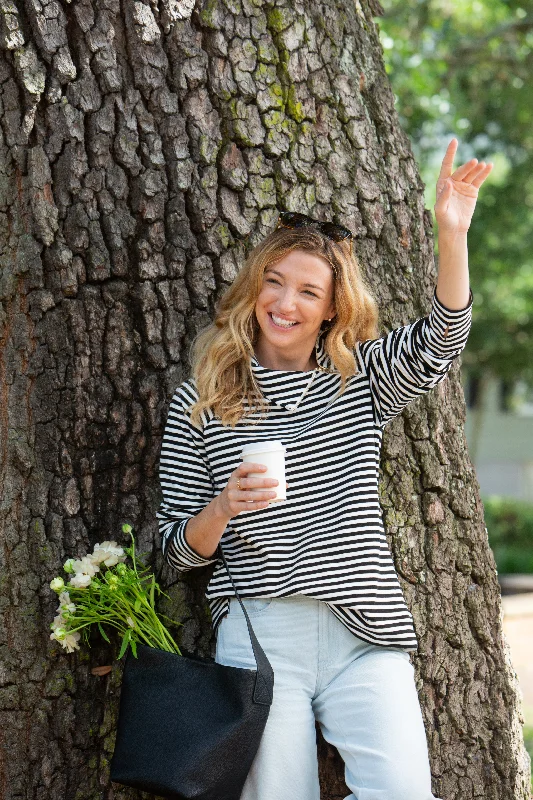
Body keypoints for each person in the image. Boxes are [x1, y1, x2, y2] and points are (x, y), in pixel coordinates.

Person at [156, 138, 492, 800]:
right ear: (253, 290)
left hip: (363, 631)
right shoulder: (200, 400)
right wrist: (221, 508)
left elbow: (442, 337)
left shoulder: (357, 377)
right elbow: (171, 555)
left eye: (307, 291)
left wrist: (450, 234)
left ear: (331, 307)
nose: (285, 303)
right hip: (258, 632)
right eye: (273, 283)